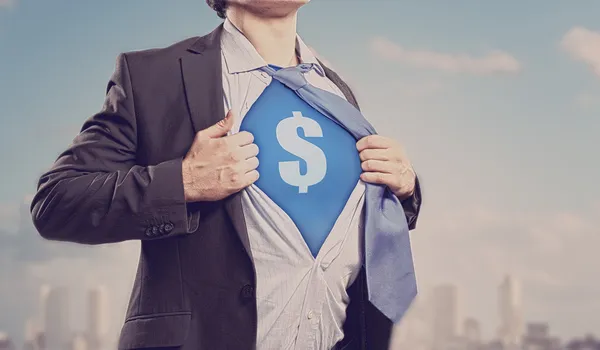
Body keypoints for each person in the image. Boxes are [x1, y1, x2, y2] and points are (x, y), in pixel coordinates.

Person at [30, 0, 422, 349]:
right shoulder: (154, 76)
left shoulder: (335, 92)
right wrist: (183, 182)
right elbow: (55, 202)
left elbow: (352, 220)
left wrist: (404, 189)